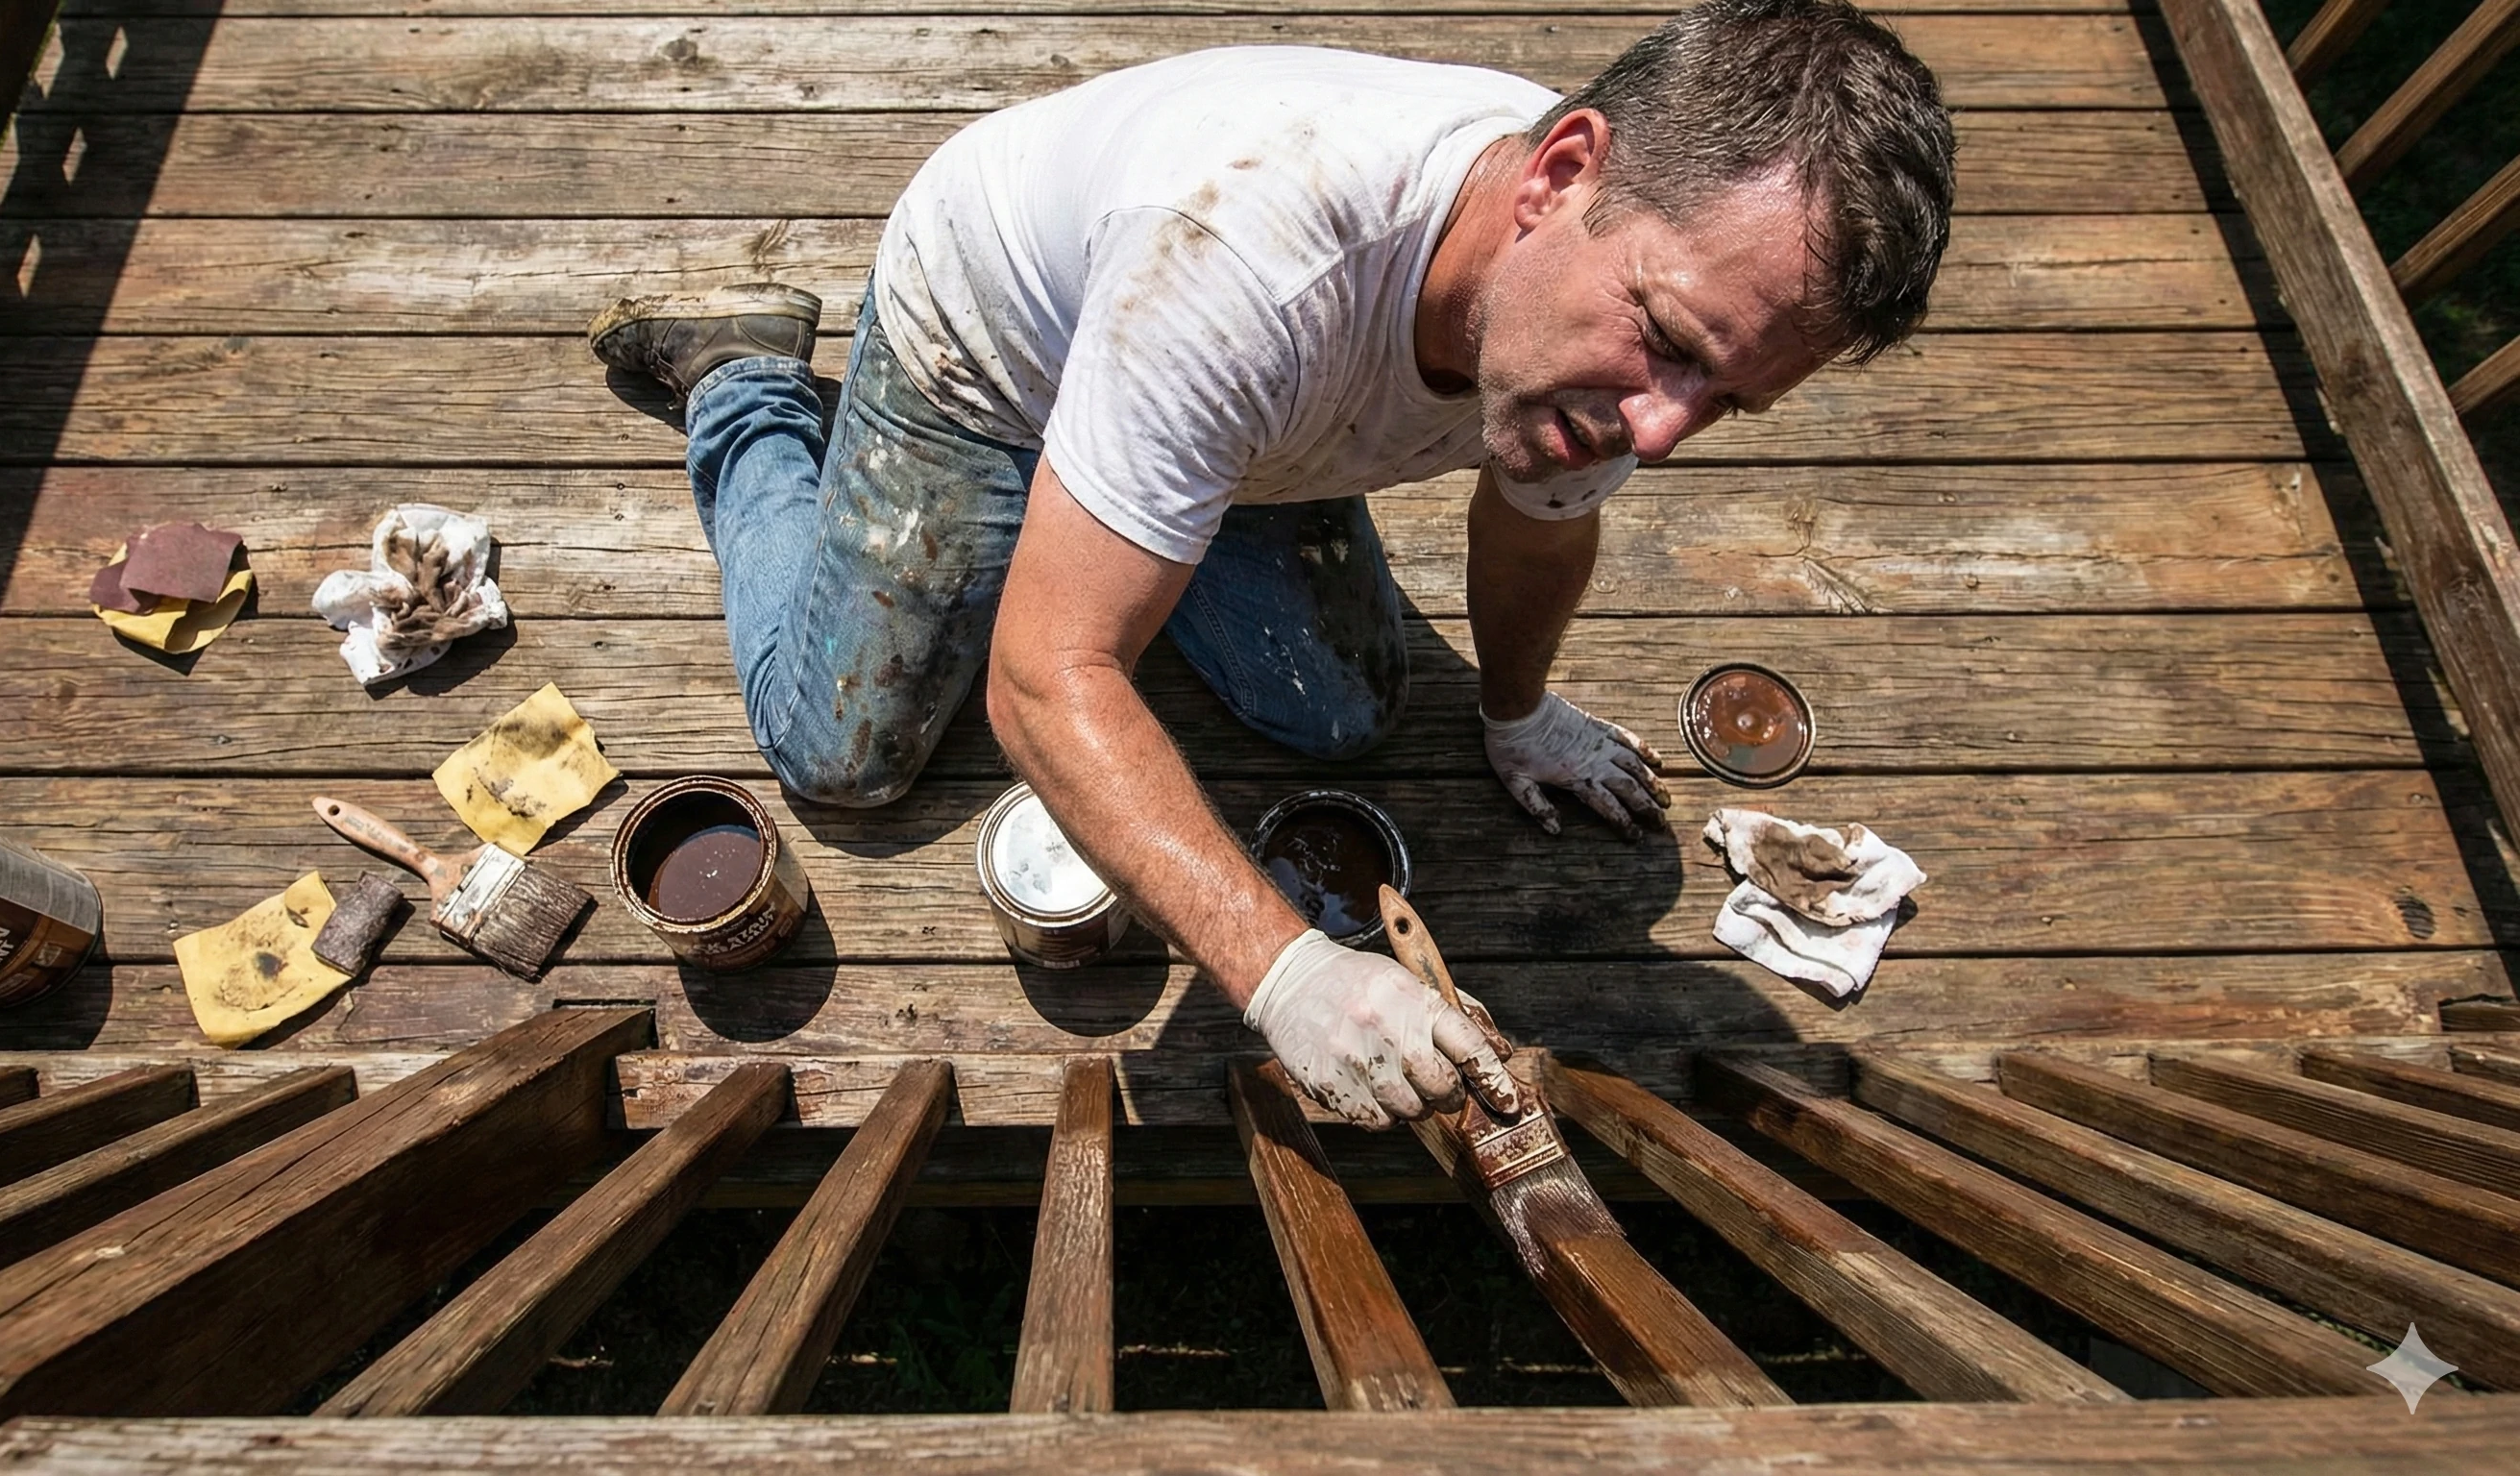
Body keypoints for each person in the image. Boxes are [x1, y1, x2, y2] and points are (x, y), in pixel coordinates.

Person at [588, 0, 1955, 1128]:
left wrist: (1517, 711)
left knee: (1348, 716)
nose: (1659, 432)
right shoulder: (1246, 259)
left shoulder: (1618, 292)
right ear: (1556, 175)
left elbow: (1540, 513)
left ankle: (1141, 498)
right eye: (1668, 344)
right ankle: (745, 384)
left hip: (1238, 424)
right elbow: (1043, 684)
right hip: (991, 358)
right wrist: (1287, 973)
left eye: (1727, 401)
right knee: (844, 760)